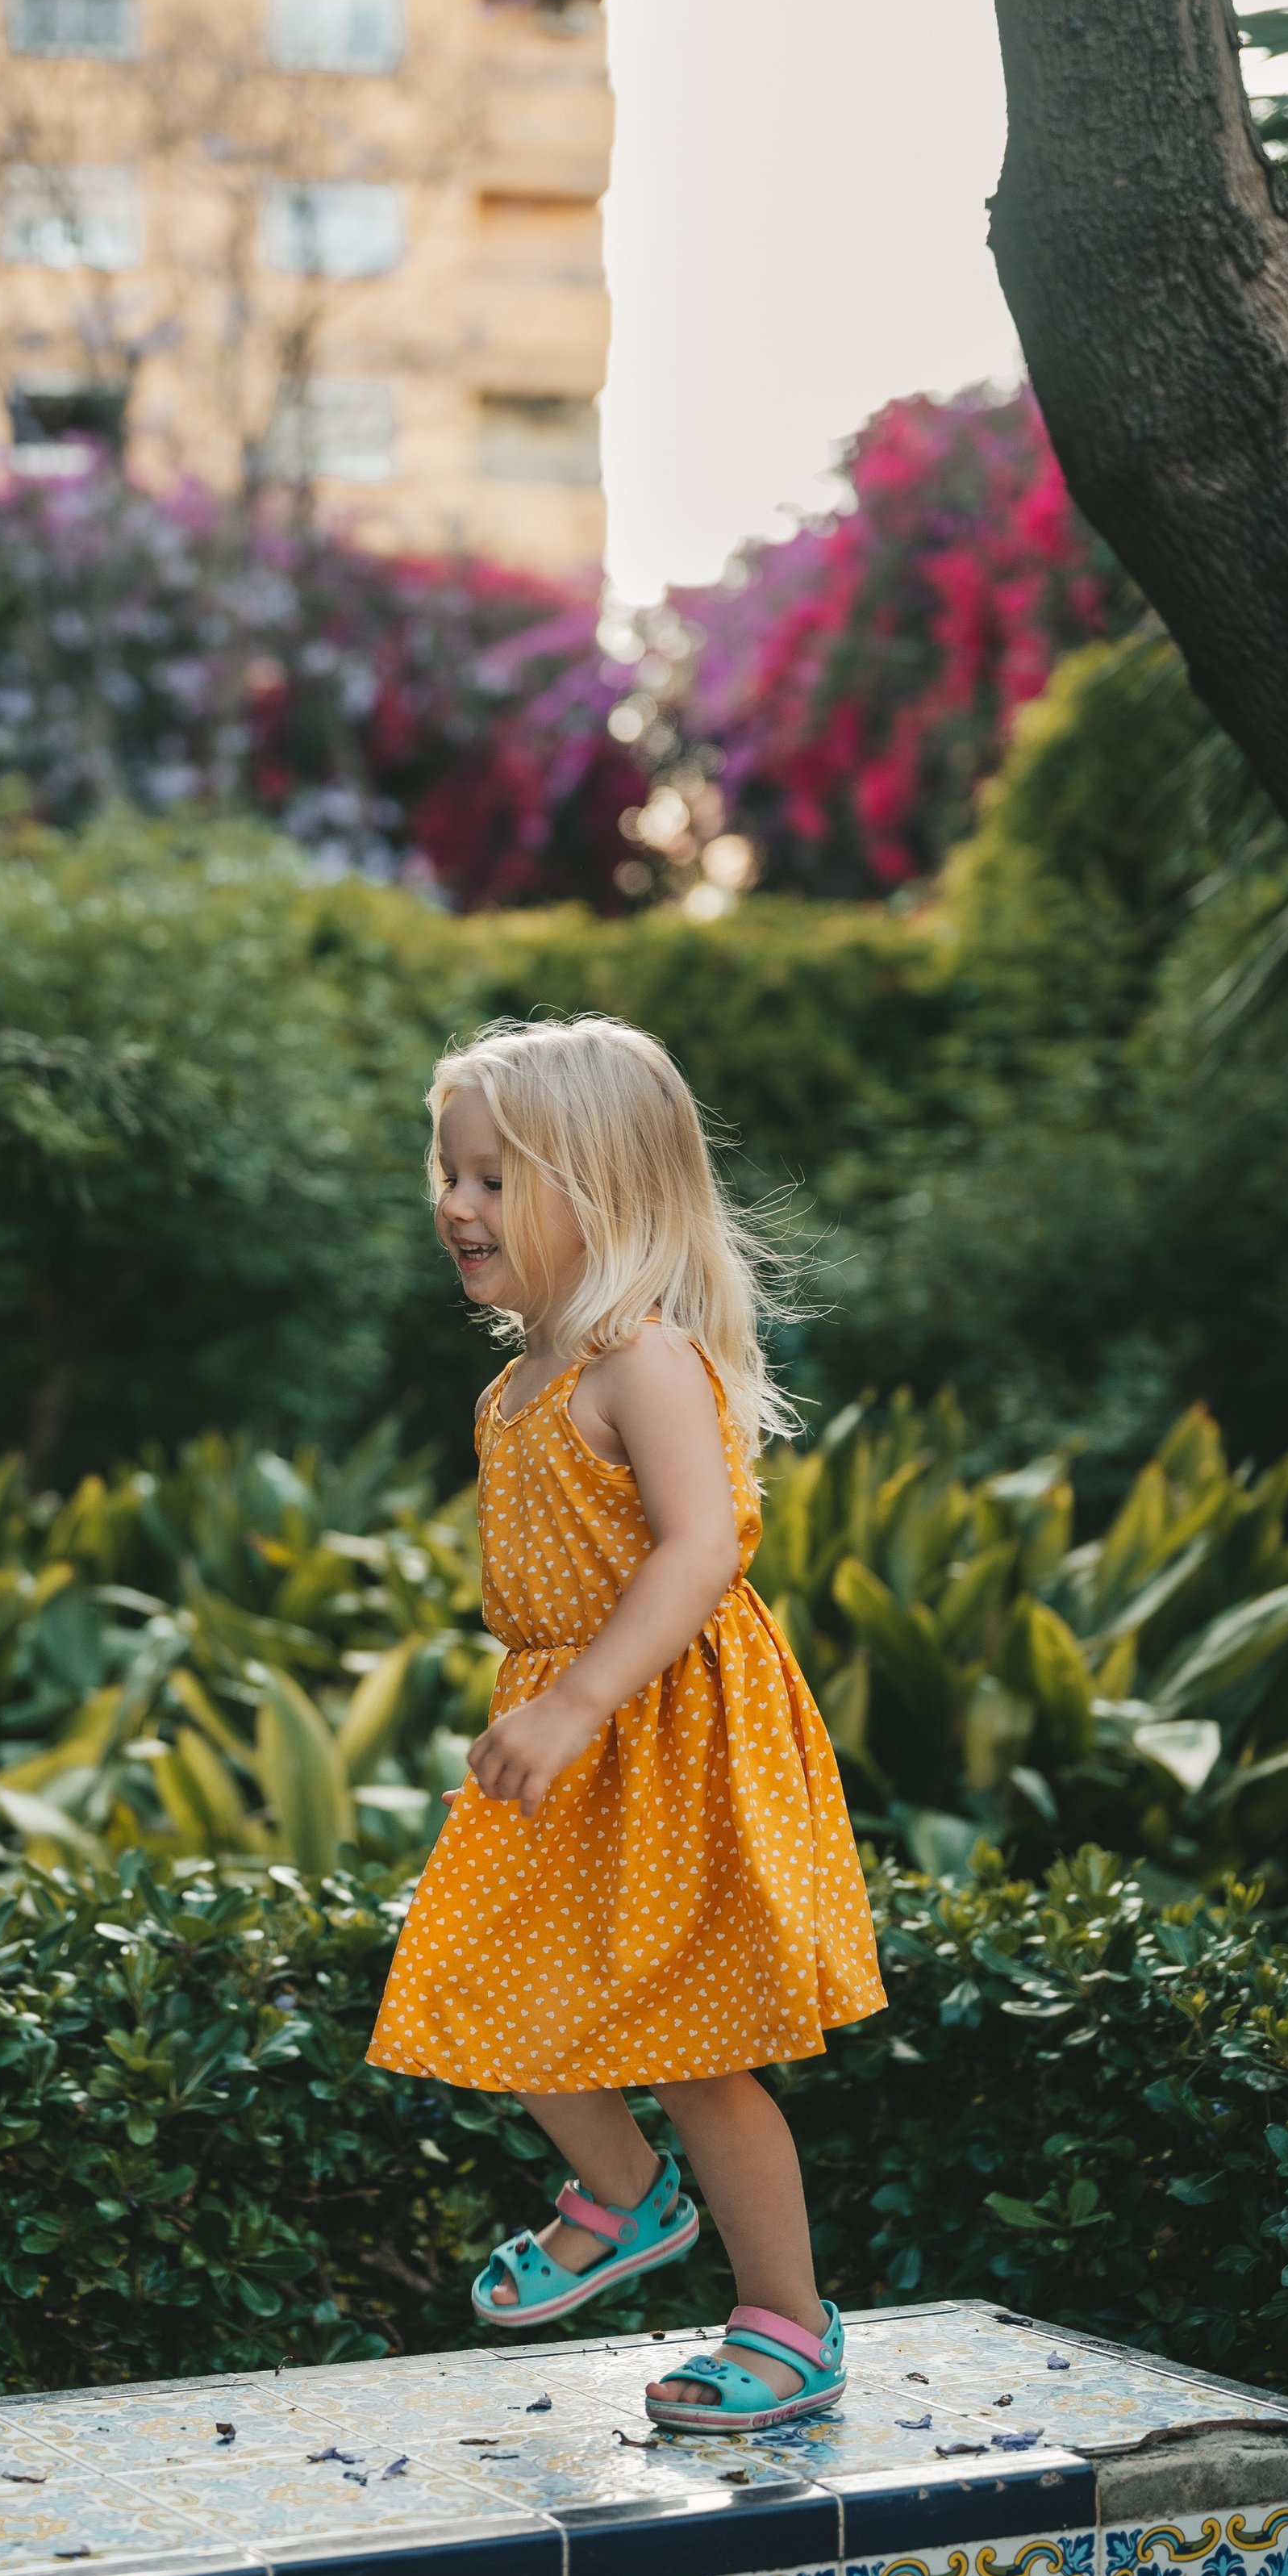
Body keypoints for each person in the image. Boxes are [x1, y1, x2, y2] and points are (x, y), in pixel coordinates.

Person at [365, 1015, 886, 2432]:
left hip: (663, 1733)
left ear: (603, 1194)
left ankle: (786, 2320)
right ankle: (627, 2193)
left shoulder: (638, 1360)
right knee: (482, 1978)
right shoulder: (513, 1385)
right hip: (571, 1726)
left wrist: (585, 1697)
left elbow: (703, 1549)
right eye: (451, 1175)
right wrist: (550, 1701)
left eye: (492, 1179)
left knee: (699, 2050)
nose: (455, 1206)